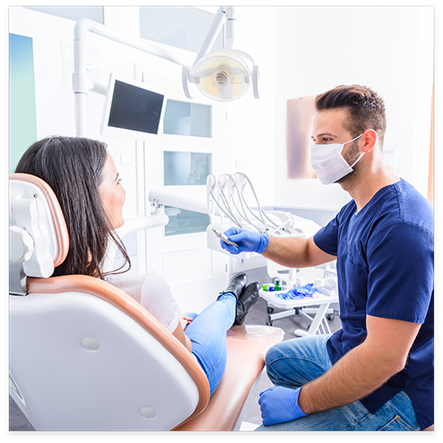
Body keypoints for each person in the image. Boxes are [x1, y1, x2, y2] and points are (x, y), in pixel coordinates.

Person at [220, 85, 434, 431]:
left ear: (366, 142)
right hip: (352, 346)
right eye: (315, 141)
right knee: (277, 360)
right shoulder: (356, 208)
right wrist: (259, 242)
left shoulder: (401, 229)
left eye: (327, 140)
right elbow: (307, 250)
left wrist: (300, 401)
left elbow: (385, 357)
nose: (316, 152)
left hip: (398, 388)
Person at [15, 135, 260, 397]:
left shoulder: (24, 294)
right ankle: (230, 300)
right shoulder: (144, 290)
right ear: (86, 199)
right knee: (212, 317)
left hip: (82, 402)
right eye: (117, 181)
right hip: (174, 397)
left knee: (187, 316)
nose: (124, 191)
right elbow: (185, 360)